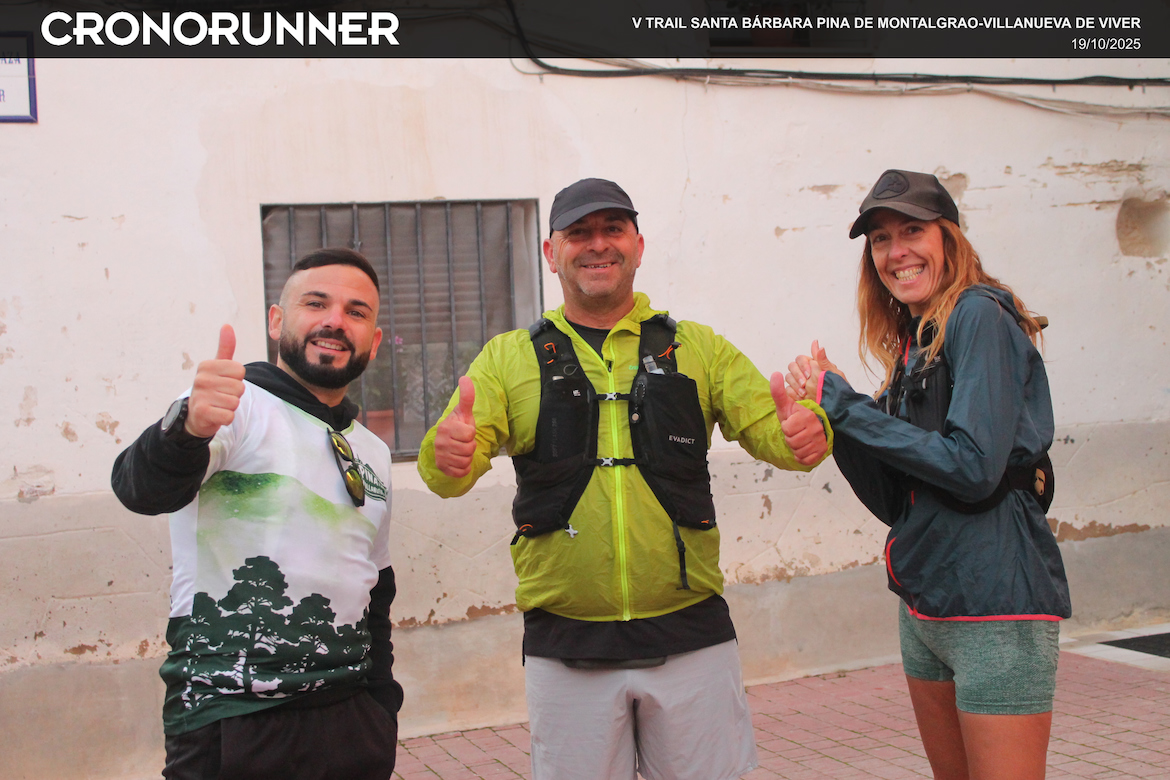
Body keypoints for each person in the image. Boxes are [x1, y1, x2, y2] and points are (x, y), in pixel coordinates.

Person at [417, 178, 832, 780]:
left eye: (613, 229)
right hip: (566, 644)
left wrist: (807, 432)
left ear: (638, 245)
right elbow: (447, 470)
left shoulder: (699, 348)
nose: (597, 244)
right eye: (578, 232)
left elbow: (777, 432)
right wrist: (447, 456)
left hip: (692, 634)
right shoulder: (508, 358)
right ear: (551, 252)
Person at [783, 169, 1071, 780]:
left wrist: (848, 407)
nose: (896, 251)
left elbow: (974, 469)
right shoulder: (916, 341)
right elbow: (894, 500)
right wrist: (839, 421)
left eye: (912, 231)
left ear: (948, 238)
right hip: (925, 605)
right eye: (881, 239)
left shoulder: (979, 316)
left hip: (996, 604)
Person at [111, 248, 402, 780]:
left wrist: (381, 708)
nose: (335, 321)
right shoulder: (233, 405)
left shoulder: (373, 451)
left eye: (356, 312)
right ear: (276, 321)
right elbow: (142, 489)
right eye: (316, 303)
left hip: (353, 726)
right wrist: (186, 429)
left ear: (374, 341)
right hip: (231, 722)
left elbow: (376, 590)